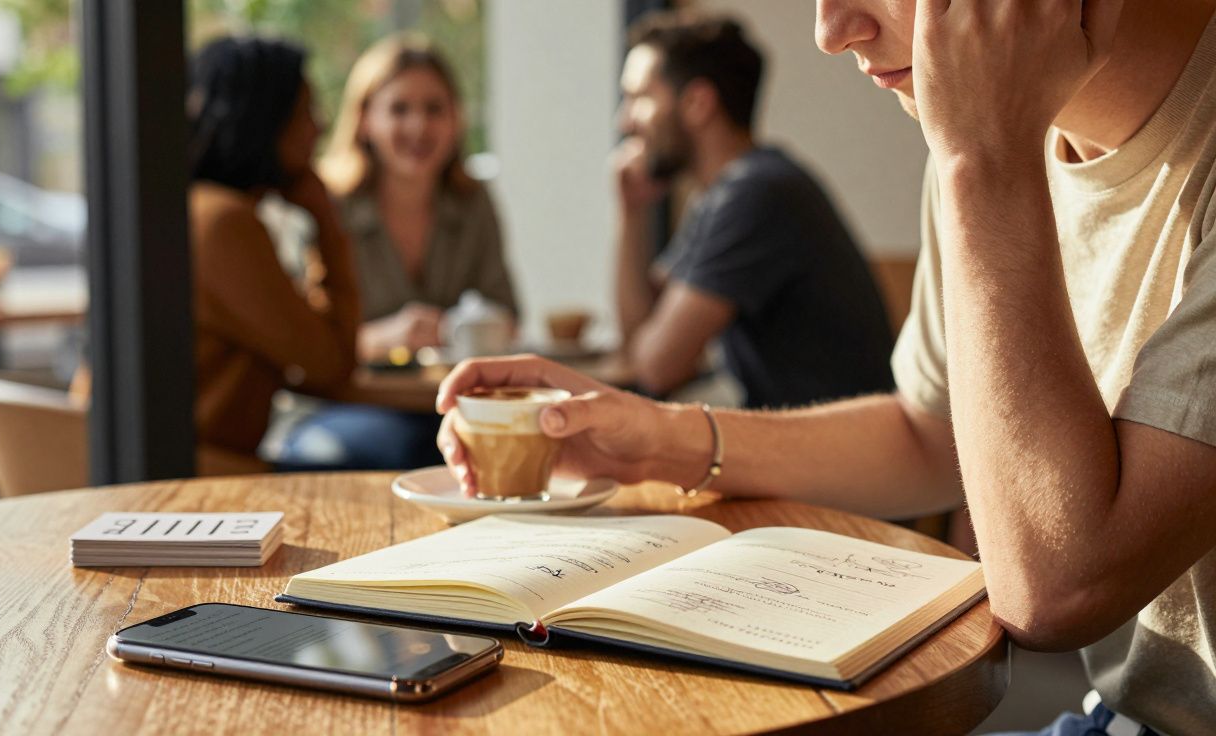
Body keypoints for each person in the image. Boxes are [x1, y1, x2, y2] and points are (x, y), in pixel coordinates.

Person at [437, 2, 1216, 734]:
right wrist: (654, 442)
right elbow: (929, 435)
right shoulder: (992, 130)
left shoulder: (982, 139)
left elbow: (1058, 590)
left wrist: (979, 161)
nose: (831, 29)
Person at [614, 13, 894, 407]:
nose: (624, 121)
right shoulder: (724, 193)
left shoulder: (754, 194)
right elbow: (641, 335)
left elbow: (655, 368)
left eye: (639, 98)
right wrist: (632, 212)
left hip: (838, 444)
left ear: (697, 103)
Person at [275, 34, 518, 470]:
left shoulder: (473, 201)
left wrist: (458, 329)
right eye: (399, 109)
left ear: (456, 119)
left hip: (447, 406)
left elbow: (506, 313)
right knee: (404, 451)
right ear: (365, 119)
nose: (419, 127)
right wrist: (383, 338)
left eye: (434, 109)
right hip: (341, 410)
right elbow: (297, 344)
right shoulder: (326, 204)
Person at [187, 37, 361, 476]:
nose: (319, 127)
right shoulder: (224, 224)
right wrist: (327, 224)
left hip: (200, 467)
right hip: (205, 477)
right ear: (263, 119)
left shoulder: (197, 208)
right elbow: (331, 364)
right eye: (305, 110)